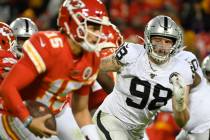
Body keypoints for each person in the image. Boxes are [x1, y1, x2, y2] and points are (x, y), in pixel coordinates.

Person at [0, 0, 111, 140]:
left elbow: (81, 110)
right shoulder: (47, 46)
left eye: (99, 27)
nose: (98, 34)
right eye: (93, 27)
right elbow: (7, 87)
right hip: (18, 111)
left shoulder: (92, 57)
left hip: (58, 110)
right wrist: (28, 119)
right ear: (73, 22)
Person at [92, 15, 195, 140]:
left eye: (167, 41)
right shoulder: (132, 52)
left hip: (138, 132)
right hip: (112, 119)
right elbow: (97, 66)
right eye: (157, 40)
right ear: (148, 38)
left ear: (175, 43)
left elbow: (182, 122)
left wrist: (179, 104)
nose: (162, 46)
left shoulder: (182, 69)